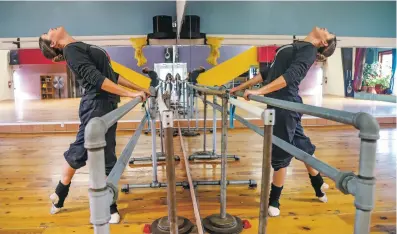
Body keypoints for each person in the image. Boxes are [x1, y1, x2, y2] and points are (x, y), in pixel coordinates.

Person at [39, 26, 148, 224]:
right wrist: (132, 95)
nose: (49, 29)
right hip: (96, 105)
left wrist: (140, 88)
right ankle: (107, 205)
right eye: (47, 34)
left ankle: (59, 195)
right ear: (53, 43)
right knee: (91, 153)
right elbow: (97, 80)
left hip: (106, 103)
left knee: (96, 152)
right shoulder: (71, 50)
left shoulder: (78, 47)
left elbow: (112, 75)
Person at [230, 27, 337, 217]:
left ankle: (274, 201)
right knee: (300, 145)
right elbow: (267, 72)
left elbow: (291, 76)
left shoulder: (309, 50)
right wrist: (239, 87)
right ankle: (318, 183)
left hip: (285, 106)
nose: (325, 29)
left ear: (323, 43)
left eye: (327, 33)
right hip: (282, 105)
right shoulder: (297, 46)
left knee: (281, 154)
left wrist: (259, 92)